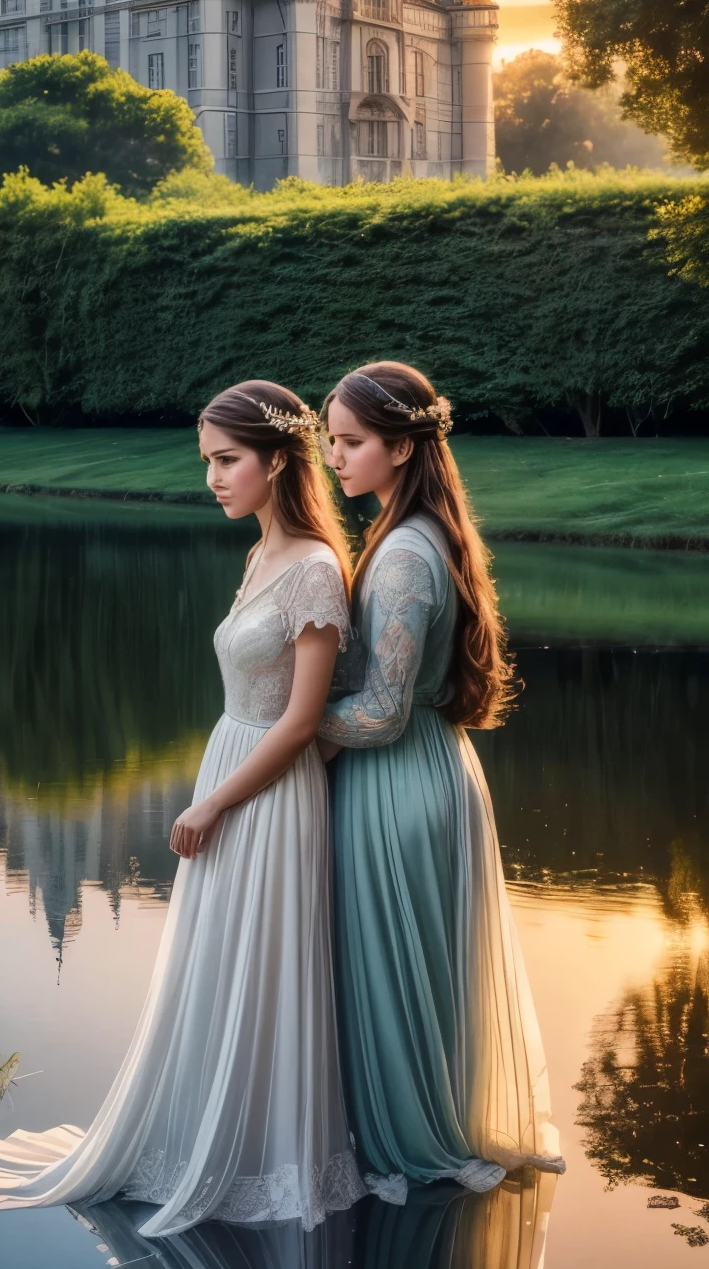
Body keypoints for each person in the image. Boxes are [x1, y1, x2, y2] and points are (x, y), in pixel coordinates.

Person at [0, 380, 364, 1238]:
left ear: (278, 461)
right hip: (232, 762)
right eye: (206, 462)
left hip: (267, 791)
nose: (212, 478)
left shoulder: (314, 566)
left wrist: (210, 807)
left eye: (227, 460)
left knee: (262, 966)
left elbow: (305, 720)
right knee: (219, 967)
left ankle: (263, 1153)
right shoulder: (261, 555)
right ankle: (212, 1132)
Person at [317, 362, 566, 1205]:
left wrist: (278, 737)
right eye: (329, 440)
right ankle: (433, 1119)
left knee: (394, 973)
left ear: (400, 445)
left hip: (396, 785)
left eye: (350, 442)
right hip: (436, 772)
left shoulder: (402, 557)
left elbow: (381, 713)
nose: (333, 457)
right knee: (422, 974)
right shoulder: (422, 530)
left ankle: (412, 1139)